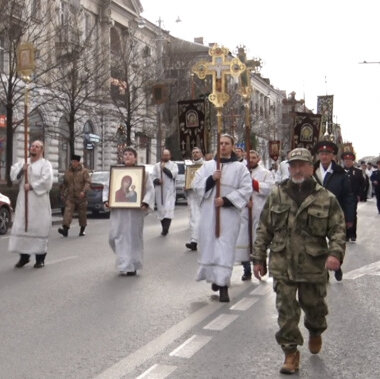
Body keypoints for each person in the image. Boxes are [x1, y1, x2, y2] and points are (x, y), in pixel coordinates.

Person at [253, 148, 346, 375]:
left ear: (311, 168)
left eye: (301, 165)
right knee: (286, 310)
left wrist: (334, 254)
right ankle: (290, 353)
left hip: (312, 265)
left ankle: (315, 330)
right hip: (282, 262)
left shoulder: (326, 198)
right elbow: (264, 227)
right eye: (293, 165)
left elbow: (337, 229)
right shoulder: (277, 194)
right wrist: (258, 258)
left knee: (315, 307)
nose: (296, 169)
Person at [193, 134, 252, 302]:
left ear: (232, 146)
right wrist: (212, 179)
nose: (223, 146)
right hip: (209, 215)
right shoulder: (208, 166)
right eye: (221, 143)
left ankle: (223, 284)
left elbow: (246, 189)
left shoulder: (240, 168)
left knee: (225, 248)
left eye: (227, 143)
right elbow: (196, 186)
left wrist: (226, 200)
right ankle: (215, 279)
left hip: (228, 215)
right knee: (211, 247)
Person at [103, 147, 155, 276]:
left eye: (130, 154)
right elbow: (107, 188)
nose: (127, 156)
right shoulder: (116, 173)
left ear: (135, 157)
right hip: (118, 213)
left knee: (133, 238)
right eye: (125, 154)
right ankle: (124, 260)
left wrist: (145, 202)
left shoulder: (143, 173)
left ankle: (131, 265)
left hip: (134, 213)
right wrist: (106, 200)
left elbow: (150, 189)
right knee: (114, 236)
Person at [313, 141, 355, 281]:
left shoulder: (340, 173)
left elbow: (349, 196)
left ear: (332, 156)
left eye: (327, 153)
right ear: (318, 155)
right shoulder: (312, 171)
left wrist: (349, 218)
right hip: (315, 214)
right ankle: (323, 270)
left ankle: (337, 265)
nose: (324, 156)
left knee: (336, 242)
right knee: (317, 244)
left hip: (335, 215)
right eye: (321, 154)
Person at [9, 140, 53, 268]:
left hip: (39, 202)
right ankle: (24, 257)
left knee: (38, 228)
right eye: (32, 146)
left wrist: (33, 186)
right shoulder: (24, 162)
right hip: (24, 201)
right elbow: (13, 176)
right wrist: (22, 171)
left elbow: (47, 181)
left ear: (41, 150)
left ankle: (40, 258)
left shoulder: (46, 164)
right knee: (23, 227)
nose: (33, 148)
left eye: (37, 147)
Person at [235, 150, 274, 280]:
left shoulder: (265, 173)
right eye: (248, 158)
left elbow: (269, 188)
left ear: (258, 159)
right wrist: (244, 201)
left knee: (258, 240)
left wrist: (255, 184)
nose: (250, 160)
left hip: (259, 210)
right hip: (245, 211)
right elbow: (236, 189)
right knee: (244, 240)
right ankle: (247, 269)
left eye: (253, 157)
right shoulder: (242, 172)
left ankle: (260, 264)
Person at [58, 154, 91, 237]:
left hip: (81, 197)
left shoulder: (84, 171)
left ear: (78, 162)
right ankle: (65, 229)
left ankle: (82, 230)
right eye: (72, 161)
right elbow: (65, 184)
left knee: (82, 214)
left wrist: (84, 191)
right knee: (67, 212)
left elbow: (88, 182)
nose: (73, 163)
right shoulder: (68, 172)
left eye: (75, 161)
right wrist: (62, 193)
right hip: (71, 196)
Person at [152, 149, 178, 236]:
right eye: (164, 155)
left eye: (167, 155)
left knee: (168, 211)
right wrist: (157, 181)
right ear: (162, 156)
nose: (166, 157)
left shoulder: (174, 165)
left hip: (170, 191)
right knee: (162, 211)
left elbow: (172, 175)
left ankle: (166, 229)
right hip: (160, 191)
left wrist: (164, 169)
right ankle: (164, 227)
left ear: (170, 156)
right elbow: (153, 177)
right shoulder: (156, 166)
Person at [342, 152, 365, 241]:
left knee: (352, 215)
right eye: (346, 160)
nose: (348, 162)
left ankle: (352, 234)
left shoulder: (358, 172)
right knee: (343, 215)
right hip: (342, 197)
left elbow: (362, 184)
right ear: (343, 161)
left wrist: (359, 194)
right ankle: (345, 235)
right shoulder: (339, 171)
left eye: (349, 160)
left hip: (353, 197)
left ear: (353, 161)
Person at [185, 147, 204, 251]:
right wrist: (186, 186)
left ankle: (205, 240)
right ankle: (194, 241)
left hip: (203, 196)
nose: (195, 154)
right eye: (193, 153)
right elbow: (188, 180)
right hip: (193, 195)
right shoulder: (189, 167)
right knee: (193, 218)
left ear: (201, 154)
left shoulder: (206, 166)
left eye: (197, 152)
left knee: (203, 219)